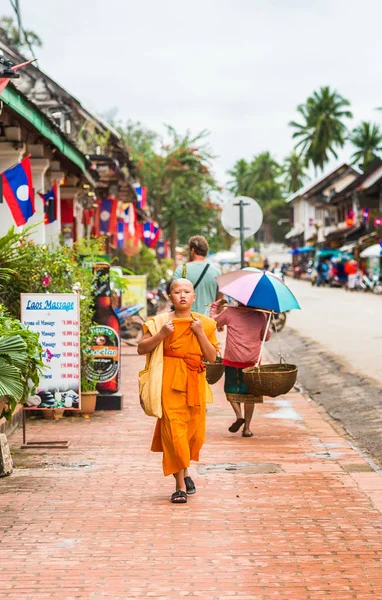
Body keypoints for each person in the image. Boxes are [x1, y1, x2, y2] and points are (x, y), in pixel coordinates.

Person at [137, 279, 218, 504]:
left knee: (194, 434)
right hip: (169, 384)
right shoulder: (159, 322)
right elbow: (141, 348)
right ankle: (180, 486)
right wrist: (162, 334)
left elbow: (211, 357)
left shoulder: (207, 324)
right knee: (174, 434)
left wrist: (200, 333)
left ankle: (185, 471)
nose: (182, 295)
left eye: (187, 292)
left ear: (194, 297)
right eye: (177, 292)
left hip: (195, 383)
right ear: (170, 298)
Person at [210, 299, 271, 437]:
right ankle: (247, 428)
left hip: (233, 360)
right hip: (252, 362)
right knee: (250, 395)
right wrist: (267, 322)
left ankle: (239, 416)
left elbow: (213, 323)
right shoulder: (261, 315)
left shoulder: (230, 312)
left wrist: (215, 306)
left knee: (230, 390)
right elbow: (265, 337)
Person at [173, 236, 221, 315]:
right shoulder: (216, 272)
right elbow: (220, 301)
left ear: (192, 250)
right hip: (208, 320)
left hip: (186, 319)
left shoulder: (182, 269)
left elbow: (175, 296)